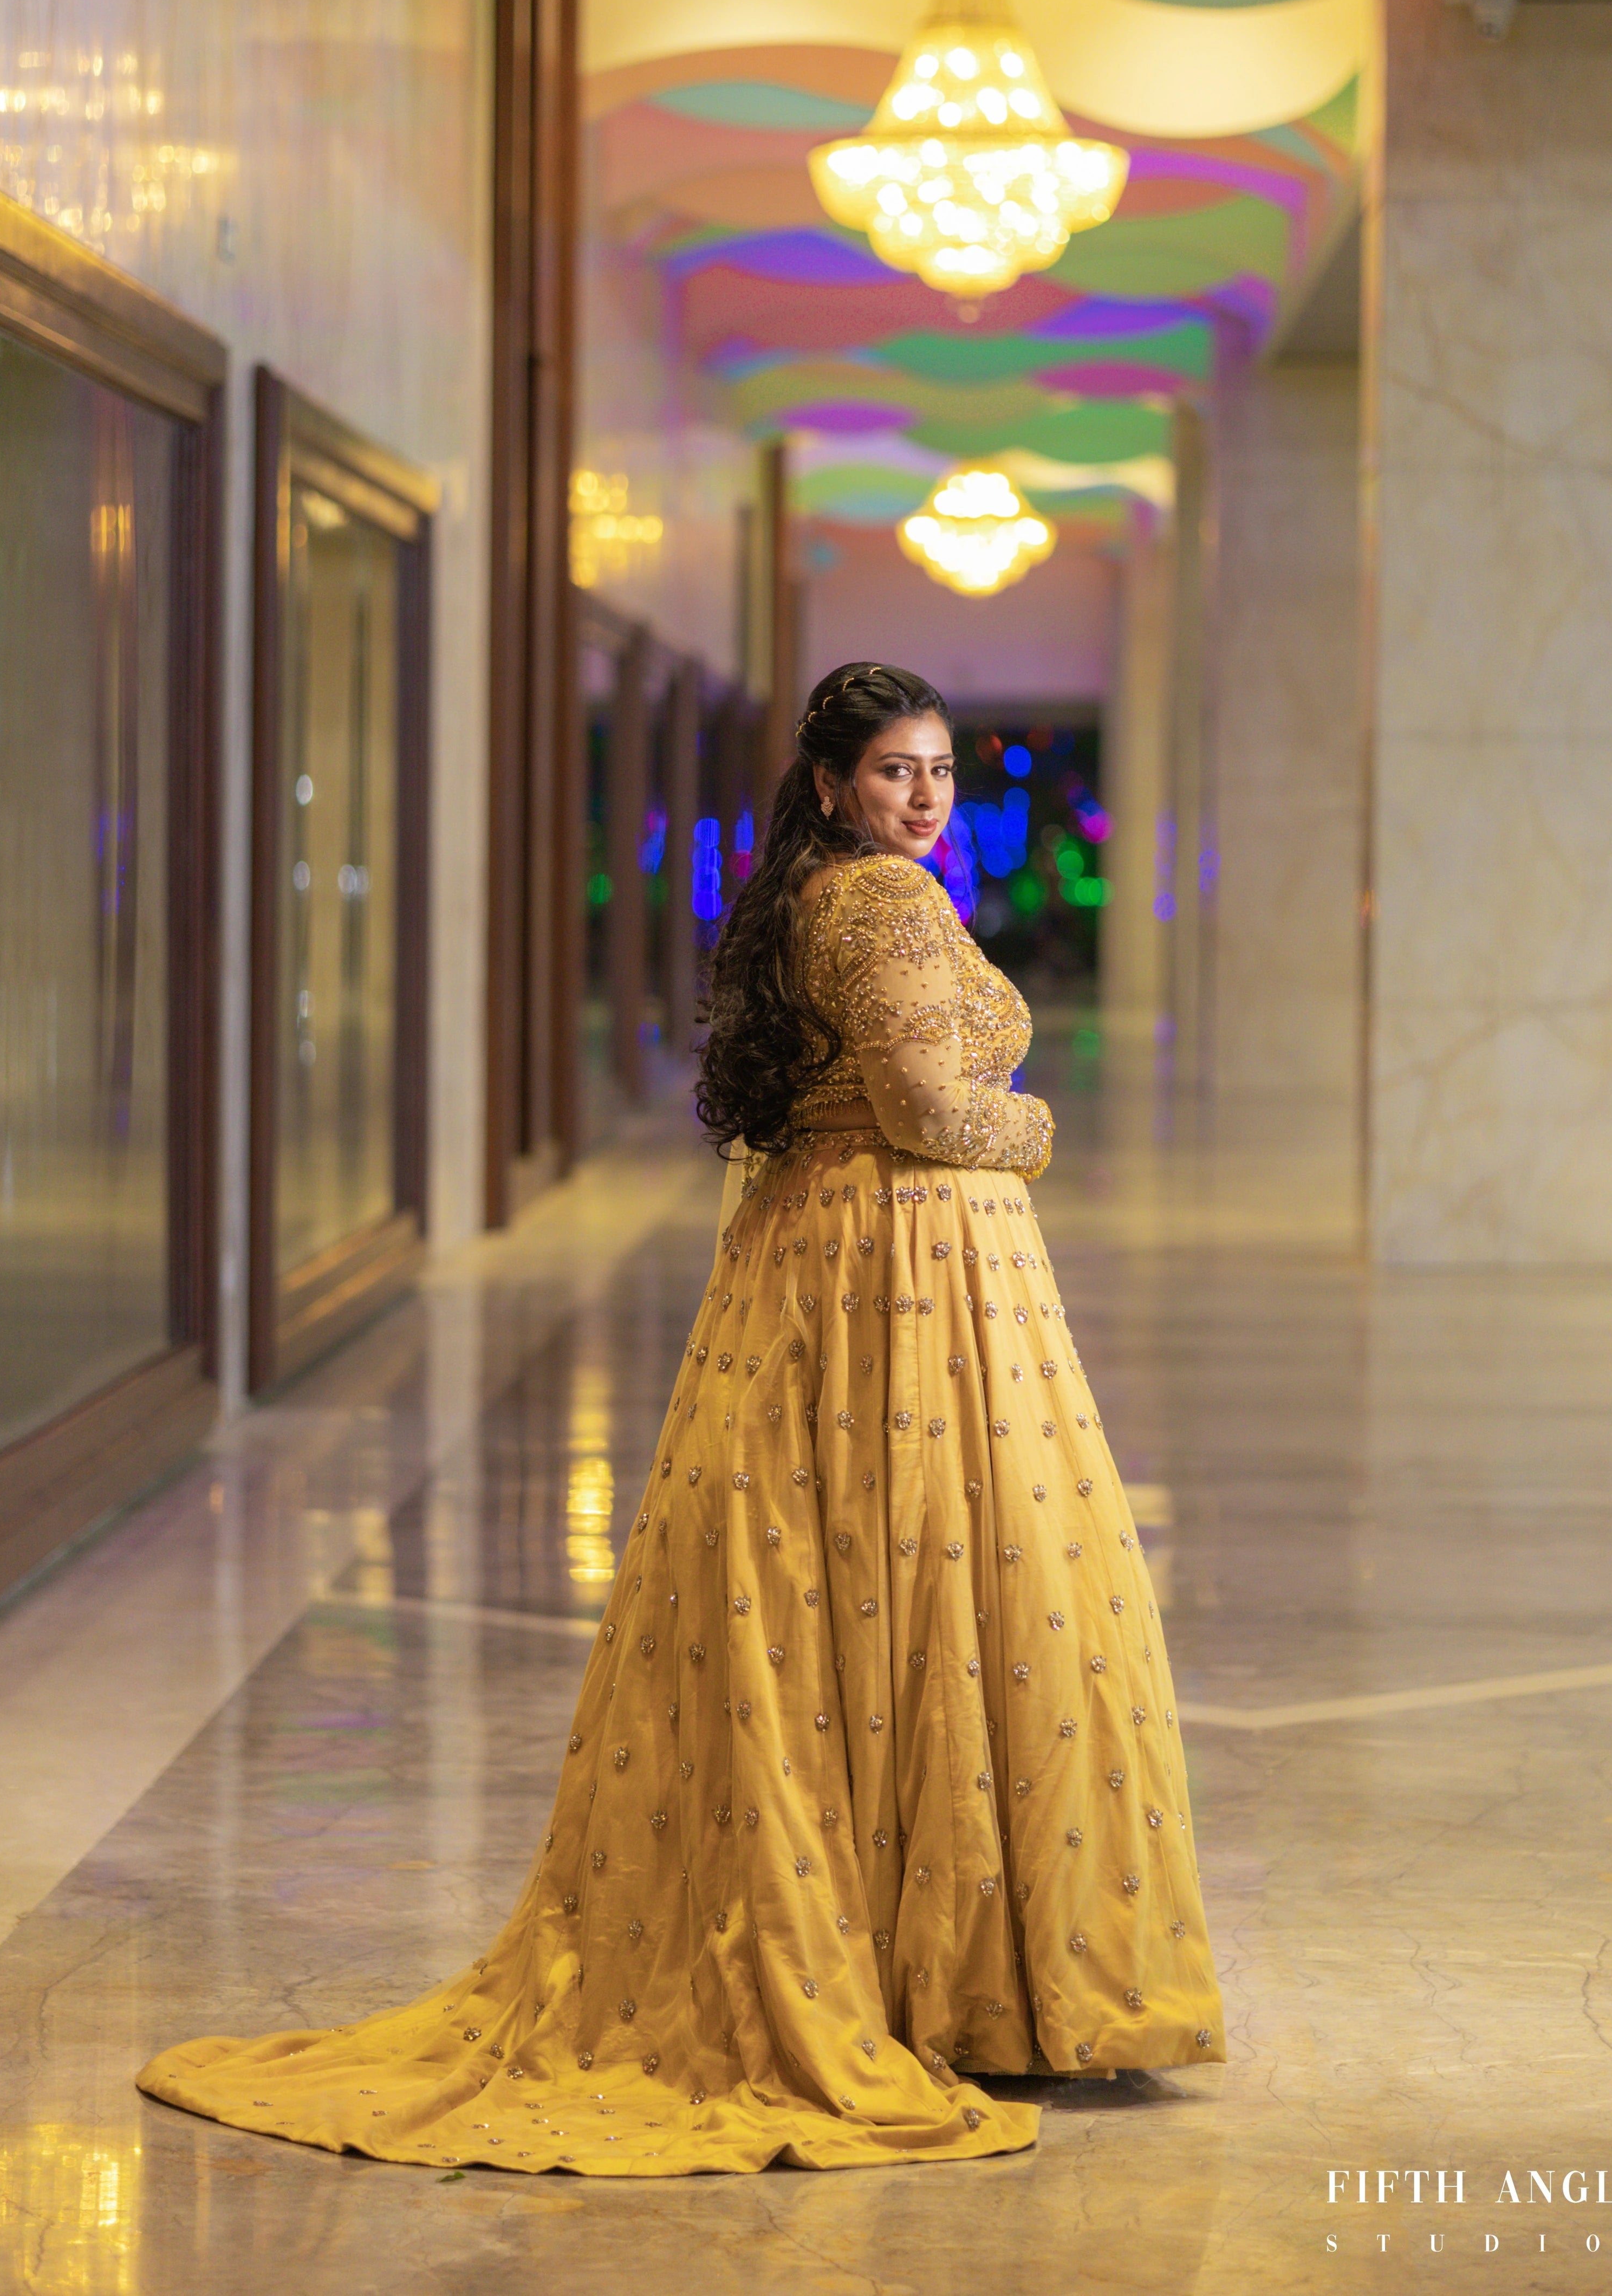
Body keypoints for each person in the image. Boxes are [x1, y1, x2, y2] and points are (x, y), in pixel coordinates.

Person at [138, 661, 1224, 2174]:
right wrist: (1035, 1128)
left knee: (844, 1598)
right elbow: (930, 1114)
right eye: (897, 772)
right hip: (908, 1272)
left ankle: (927, 1961)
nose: (924, 798)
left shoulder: (810, 899)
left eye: (942, 774)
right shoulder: (891, 907)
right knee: (947, 1591)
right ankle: (972, 1982)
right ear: (837, 781)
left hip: (825, 1264)